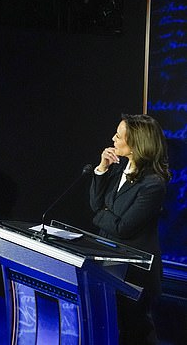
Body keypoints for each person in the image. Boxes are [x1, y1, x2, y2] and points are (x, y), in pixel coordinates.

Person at [90, 114, 171, 344]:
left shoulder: (153, 184)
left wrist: (100, 214)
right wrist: (102, 169)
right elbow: (96, 205)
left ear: (135, 144)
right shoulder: (118, 170)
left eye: (119, 135)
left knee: (134, 334)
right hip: (109, 266)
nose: (113, 139)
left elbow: (123, 228)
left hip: (135, 273)